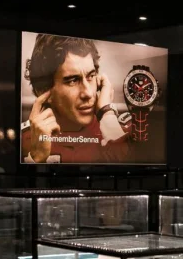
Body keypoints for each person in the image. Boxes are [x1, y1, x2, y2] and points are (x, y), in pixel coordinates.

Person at [21, 34, 131, 163]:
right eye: (72, 81)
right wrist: (36, 159)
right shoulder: (24, 140)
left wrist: (108, 114)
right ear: (44, 90)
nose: (88, 93)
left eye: (91, 76)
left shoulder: (125, 131)